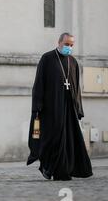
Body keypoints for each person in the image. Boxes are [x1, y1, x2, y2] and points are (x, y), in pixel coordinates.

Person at [27, 33, 93, 181]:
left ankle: (63, 171)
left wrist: (78, 108)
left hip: (68, 108)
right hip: (51, 109)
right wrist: (37, 105)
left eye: (71, 45)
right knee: (52, 139)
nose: (69, 47)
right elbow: (39, 83)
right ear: (59, 42)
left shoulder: (73, 62)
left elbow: (76, 88)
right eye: (67, 44)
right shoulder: (47, 59)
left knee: (68, 139)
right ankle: (47, 167)